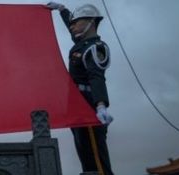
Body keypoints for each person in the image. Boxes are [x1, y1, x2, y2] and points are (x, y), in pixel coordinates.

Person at [46, 2, 115, 175]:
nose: (72, 26)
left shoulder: (95, 48)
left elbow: (96, 77)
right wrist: (62, 10)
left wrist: (100, 105)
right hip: (76, 105)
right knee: (83, 149)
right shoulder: (81, 44)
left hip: (88, 105)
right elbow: (71, 23)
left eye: (77, 22)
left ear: (91, 22)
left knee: (95, 156)